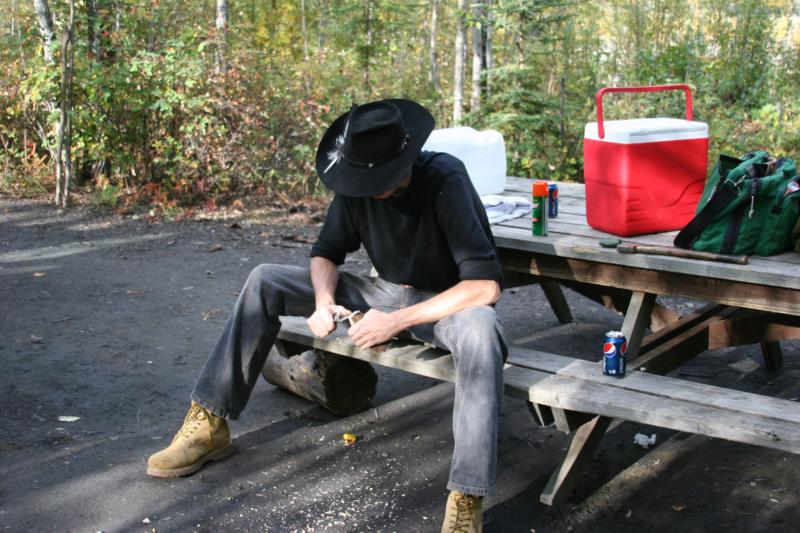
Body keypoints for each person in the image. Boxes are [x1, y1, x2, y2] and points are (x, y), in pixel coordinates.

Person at [147, 99, 507, 533]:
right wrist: (322, 300)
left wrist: (395, 322)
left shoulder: (445, 178)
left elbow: (484, 287)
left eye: (378, 180)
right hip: (382, 292)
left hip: (445, 304)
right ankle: (210, 422)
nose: (367, 188)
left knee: (482, 331)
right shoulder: (356, 183)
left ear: (404, 161)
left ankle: (467, 495)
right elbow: (325, 253)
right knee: (265, 279)